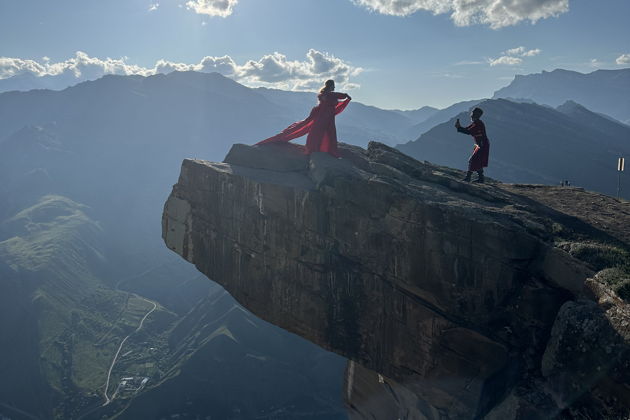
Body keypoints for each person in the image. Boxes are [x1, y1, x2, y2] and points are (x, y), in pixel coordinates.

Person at [256, 80, 351, 157]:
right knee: (328, 133)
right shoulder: (330, 95)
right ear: (331, 86)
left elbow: (336, 96)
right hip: (326, 117)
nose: (334, 88)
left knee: (316, 132)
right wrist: (346, 96)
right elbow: (339, 95)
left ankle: (314, 149)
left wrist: (345, 96)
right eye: (333, 86)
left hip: (321, 115)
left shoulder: (324, 94)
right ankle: (325, 150)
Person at [455, 107, 490, 183]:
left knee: (473, 159)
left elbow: (468, 131)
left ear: (475, 115)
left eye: (472, 113)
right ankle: (480, 179)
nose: (471, 115)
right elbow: (468, 129)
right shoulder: (476, 123)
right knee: (477, 161)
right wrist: (459, 127)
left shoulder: (478, 124)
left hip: (481, 144)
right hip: (480, 144)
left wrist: (459, 127)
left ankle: (468, 178)